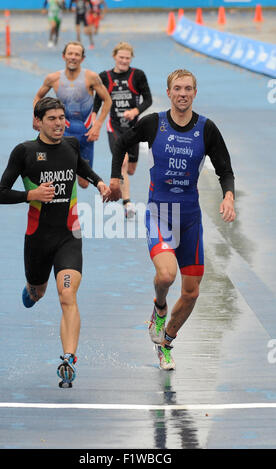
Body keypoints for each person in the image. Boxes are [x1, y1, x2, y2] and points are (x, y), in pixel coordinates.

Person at [109, 69, 236, 370]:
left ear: (194, 92)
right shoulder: (154, 124)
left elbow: (225, 170)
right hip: (160, 214)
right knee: (166, 276)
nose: (183, 93)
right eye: (177, 88)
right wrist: (116, 178)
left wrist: (228, 196)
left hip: (190, 218)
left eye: (188, 89)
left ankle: (166, 341)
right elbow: (121, 143)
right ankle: (159, 306)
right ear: (168, 93)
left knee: (191, 293)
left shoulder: (207, 129)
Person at [0, 97, 111, 388]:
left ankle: (69, 359)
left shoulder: (71, 145)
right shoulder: (24, 152)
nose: (60, 123)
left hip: (68, 236)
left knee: (67, 296)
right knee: (39, 293)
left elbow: (81, 167)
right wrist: (30, 195)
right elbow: (1, 193)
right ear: (38, 121)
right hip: (37, 239)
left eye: (62, 118)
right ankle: (32, 291)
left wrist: (99, 183)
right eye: (52, 119)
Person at [33, 41, 112, 189]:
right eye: (70, 53)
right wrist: (36, 118)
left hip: (86, 133)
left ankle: (76, 166)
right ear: (64, 56)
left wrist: (98, 125)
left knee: (84, 183)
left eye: (77, 54)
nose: (73, 57)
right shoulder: (53, 78)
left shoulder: (91, 77)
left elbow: (107, 100)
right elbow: (38, 97)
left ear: (82, 58)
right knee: (60, 175)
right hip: (62, 132)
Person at [93, 41, 152, 218]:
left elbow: (148, 100)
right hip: (114, 126)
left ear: (131, 58)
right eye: (121, 57)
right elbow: (98, 101)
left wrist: (135, 111)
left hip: (134, 128)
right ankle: (127, 203)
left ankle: (123, 181)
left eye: (127, 58)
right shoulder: (104, 77)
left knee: (131, 169)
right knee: (123, 162)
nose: (124, 61)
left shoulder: (138, 75)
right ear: (114, 57)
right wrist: (94, 120)